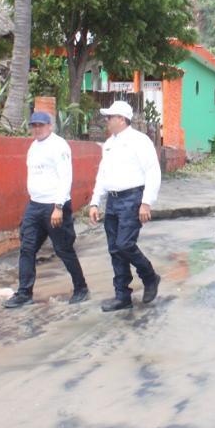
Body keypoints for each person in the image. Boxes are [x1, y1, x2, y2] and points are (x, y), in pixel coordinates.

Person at [3, 111, 89, 309]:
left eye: (41, 125)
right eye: (34, 126)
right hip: (35, 205)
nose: (37, 129)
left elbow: (65, 177)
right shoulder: (33, 147)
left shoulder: (59, 146)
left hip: (55, 206)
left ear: (50, 126)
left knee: (63, 249)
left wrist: (58, 207)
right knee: (27, 248)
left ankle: (81, 288)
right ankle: (24, 293)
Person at [88, 100, 162, 312]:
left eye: (110, 117)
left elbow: (152, 172)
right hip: (113, 200)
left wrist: (146, 202)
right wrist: (95, 201)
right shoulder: (110, 143)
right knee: (114, 249)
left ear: (121, 119)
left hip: (132, 198)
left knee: (124, 244)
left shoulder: (140, 141)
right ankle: (122, 295)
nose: (107, 121)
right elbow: (102, 175)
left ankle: (150, 277)